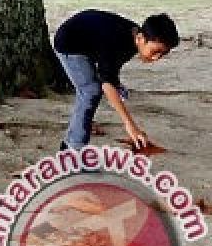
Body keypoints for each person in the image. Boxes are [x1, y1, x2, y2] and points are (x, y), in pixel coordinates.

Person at [53, 11, 179, 151]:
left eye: (162, 54)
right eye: (155, 51)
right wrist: (130, 126)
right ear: (140, 38)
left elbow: (111, 68)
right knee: (91, 90)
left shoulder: (133, 37)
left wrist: (115, 84)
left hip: (88, 41)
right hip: (69, 43)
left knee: (101, 88)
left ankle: (78, 134)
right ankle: (71, 149)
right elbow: (107, 83)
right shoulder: (117, 42)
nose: (157, 58)